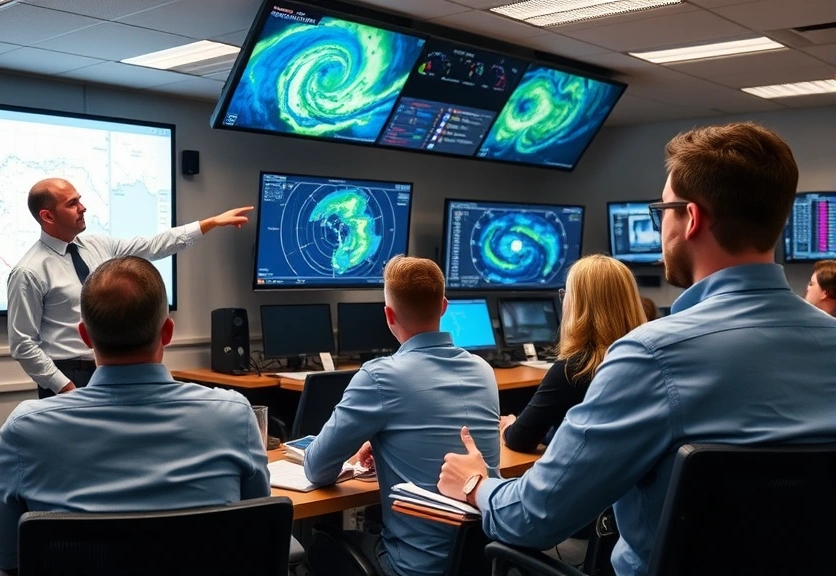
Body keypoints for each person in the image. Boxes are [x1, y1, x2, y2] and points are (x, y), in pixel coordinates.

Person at [437, 122, 836, 576]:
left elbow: (532, 519)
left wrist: (474, 483)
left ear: (690, 218)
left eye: (660, 211)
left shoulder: (652, 356)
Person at [0, 256, 270, 573]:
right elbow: (257, 532)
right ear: (167, 332)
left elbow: (6, 554)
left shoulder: (25, 428)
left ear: (85, 336)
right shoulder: (233, 415)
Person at [303, 256, 501, 576]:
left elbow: (317, 469)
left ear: (388, 315)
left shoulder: (379, 377)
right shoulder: (483, 370)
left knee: (320, 544)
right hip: (483, 560)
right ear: (444, 307)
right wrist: (383, 444)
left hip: (412, 567)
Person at [8, 177, 253, 398]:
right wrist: (65, 386)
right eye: (72, 204)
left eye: (80, 200)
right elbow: (23, 343)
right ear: (48, 216)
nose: (82, 208)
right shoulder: (29, 271)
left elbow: (152, 246)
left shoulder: (98, 246)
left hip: (109, 372)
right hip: (69, 376)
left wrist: (210, 223)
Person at [501, 255, 647, 453]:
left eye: (565, 294)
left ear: (579, 304)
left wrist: (509, 426)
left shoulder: (574, 369)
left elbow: (520, 440)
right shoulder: (647, 362)